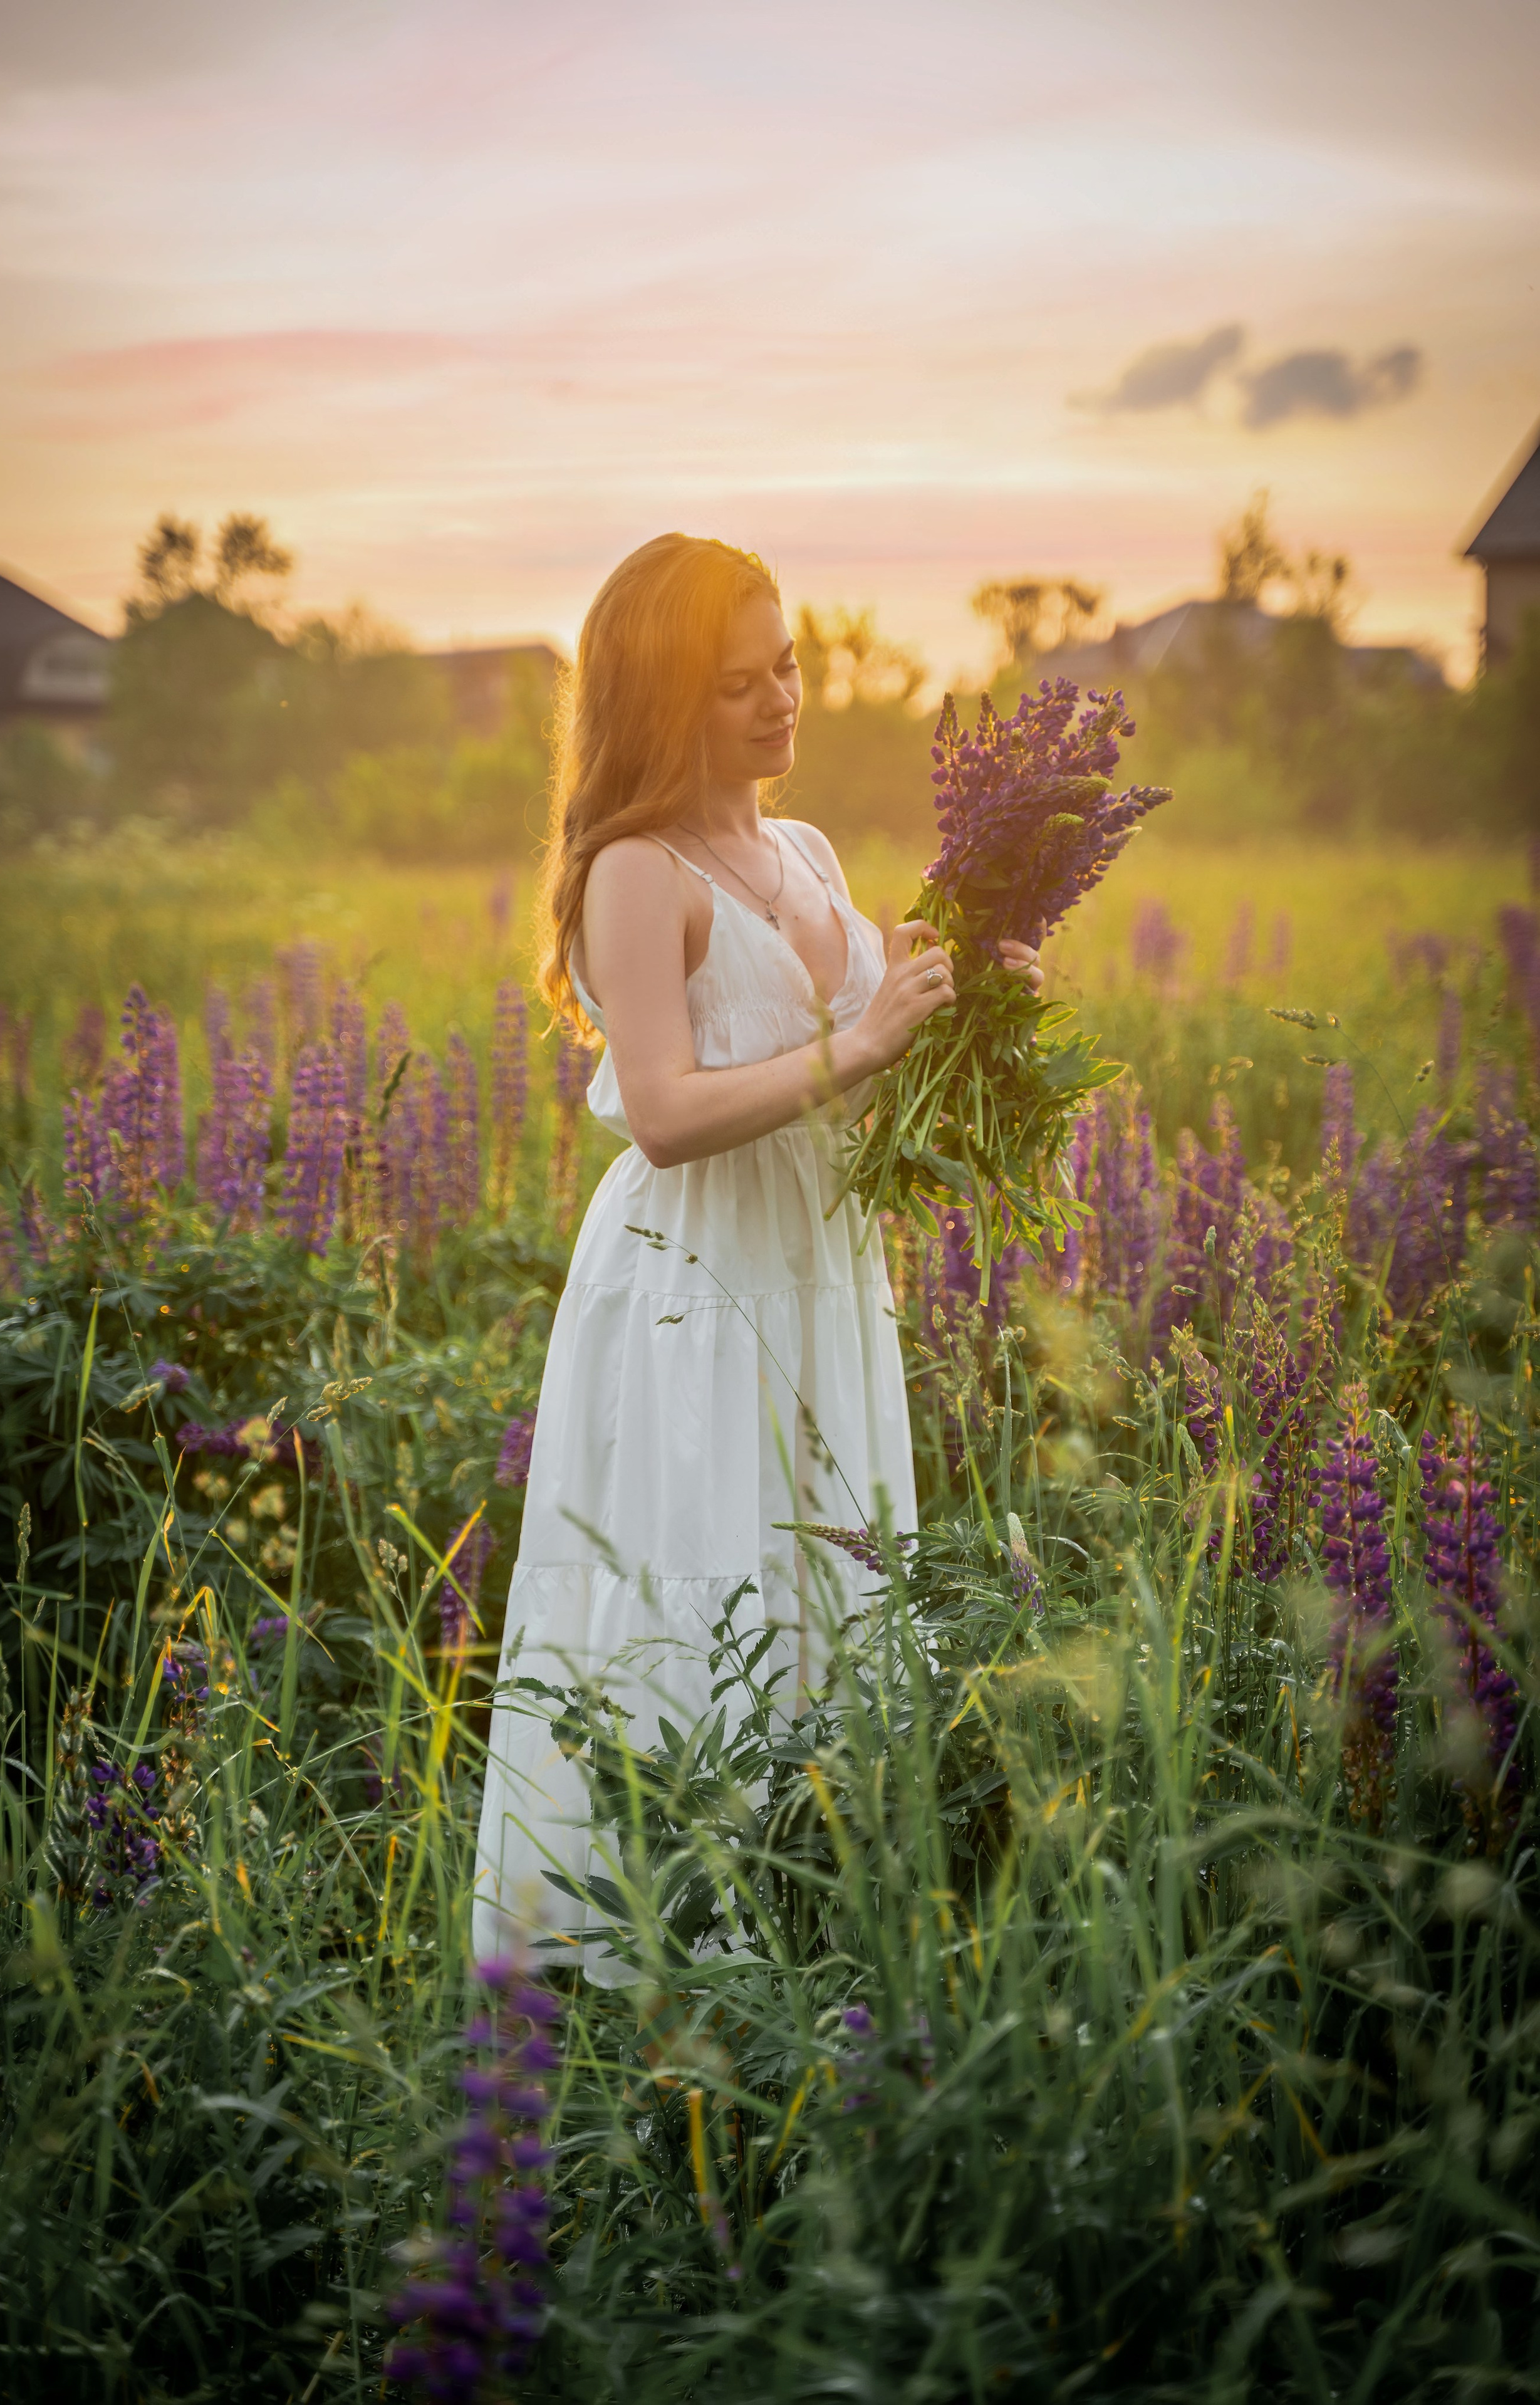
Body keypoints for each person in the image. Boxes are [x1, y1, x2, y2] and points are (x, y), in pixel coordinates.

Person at [471, 534, 1041, 1980]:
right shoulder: (632, 872)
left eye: (786, 663)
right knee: (702, 1585)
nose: (781, 698)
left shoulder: (801, 853)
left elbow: (876, 1063)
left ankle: (816, 1938)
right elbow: (662, 1113)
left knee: (823, 1587)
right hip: (692, 1285)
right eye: (738, 683)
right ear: (665, 704)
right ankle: (663, 1976)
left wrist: (974, 993)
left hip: (818, 1268)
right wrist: (853, 1040)